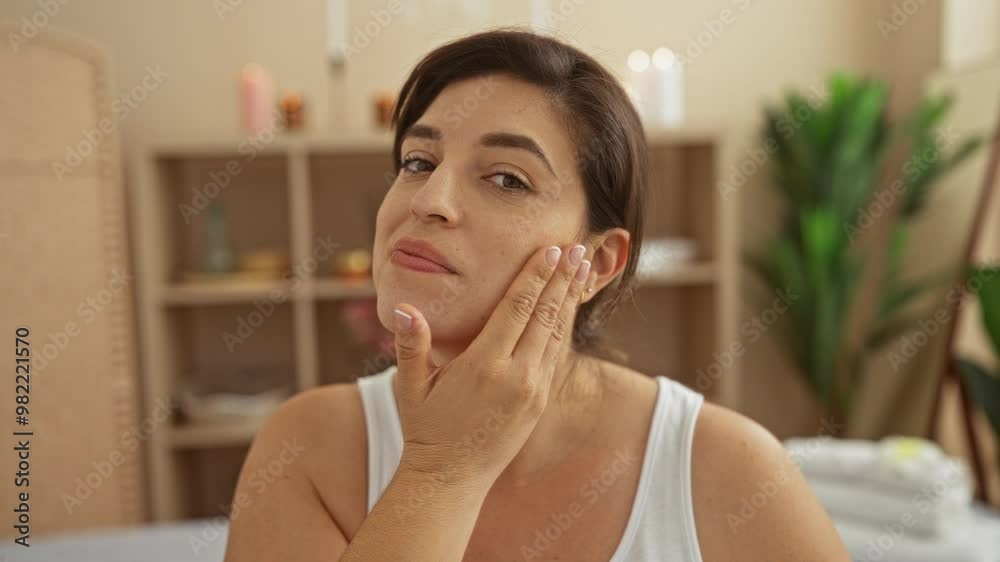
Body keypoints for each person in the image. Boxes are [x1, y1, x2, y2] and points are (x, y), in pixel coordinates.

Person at [224, 28, 849, 561]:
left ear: (599, 262)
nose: (430, 200)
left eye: (506, 178)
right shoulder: (307, 448)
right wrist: (441, 473)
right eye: (419, 161)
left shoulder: (729, 470)